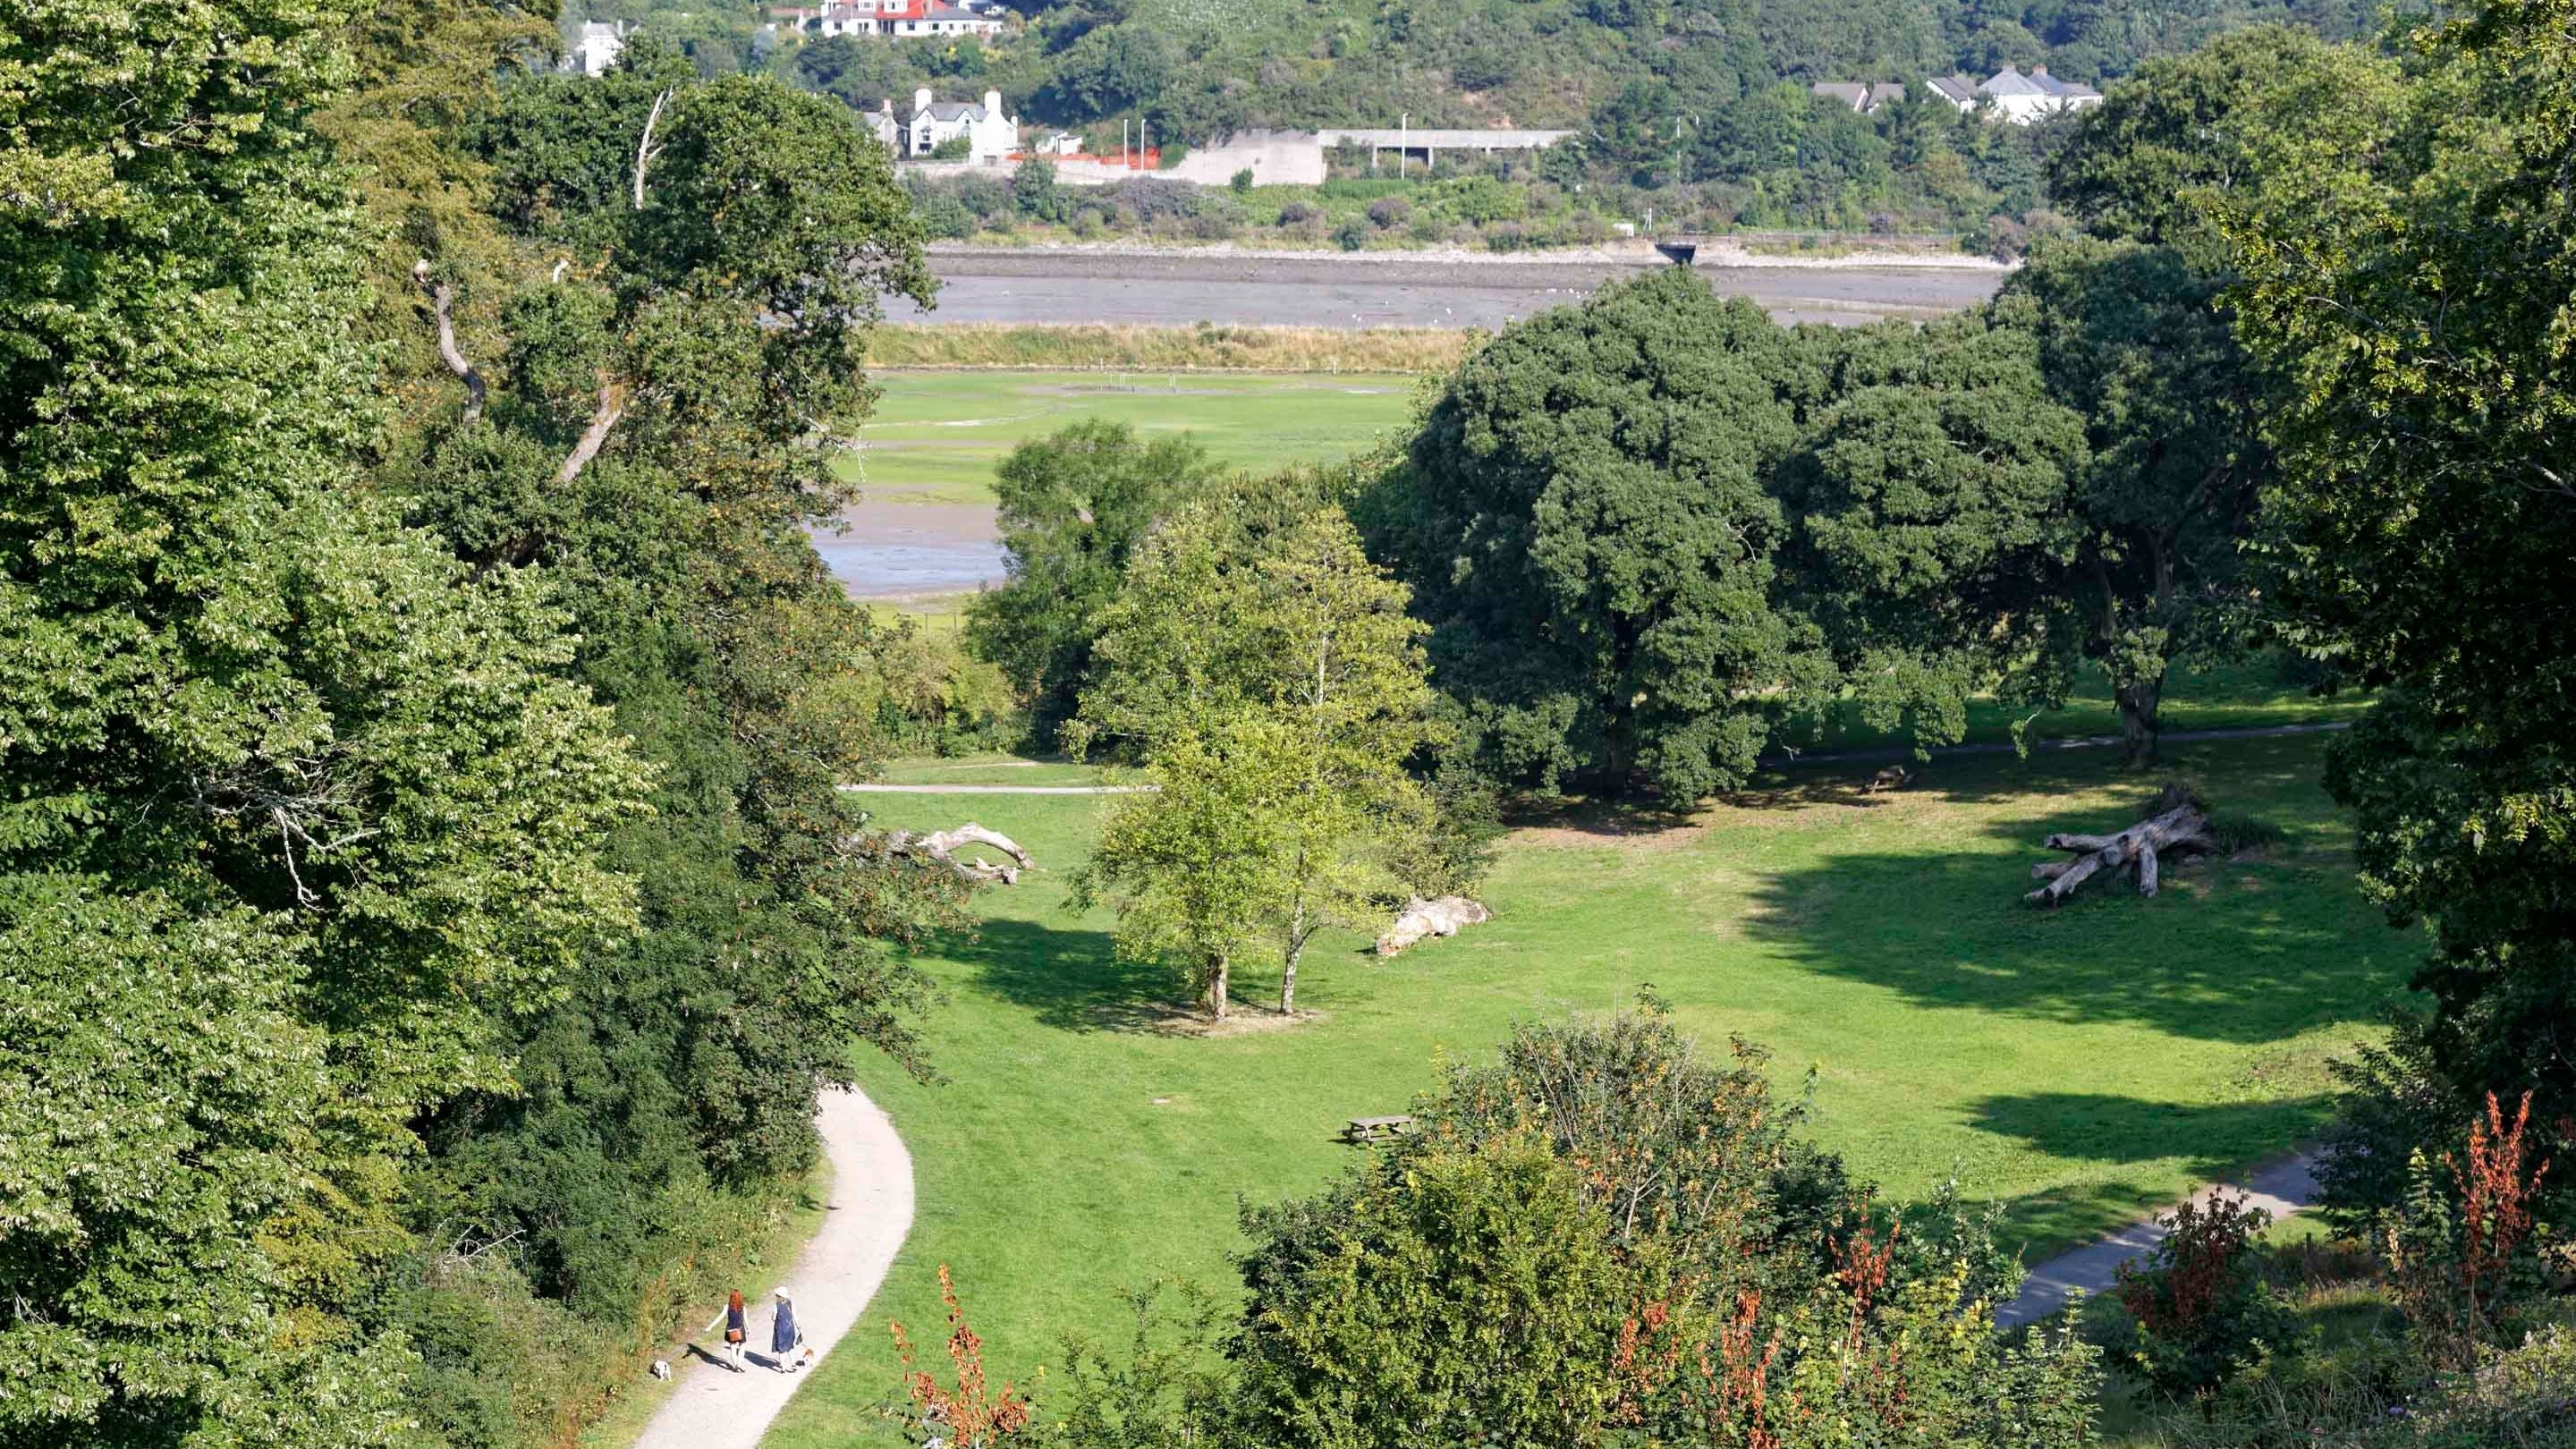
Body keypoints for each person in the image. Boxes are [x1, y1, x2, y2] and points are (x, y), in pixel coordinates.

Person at [770, 1289, 801, 1372]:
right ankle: (793, 1364)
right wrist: (798, 1326)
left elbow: (773, 1318)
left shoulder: (777, 1305)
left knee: (781, 1349)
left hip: (780, 1329)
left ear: (779, 1296)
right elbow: (794, 1315)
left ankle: (783, 1368)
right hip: (790, 1328)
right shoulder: (791, 1303)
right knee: (790, 1347)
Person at [723, 1289, 748, 1372]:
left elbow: (719, 1317)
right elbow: (745, 1319)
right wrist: (748, 1328)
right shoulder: (742, 1307)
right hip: (740, 1329)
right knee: (742, 1347)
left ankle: (735, 1366)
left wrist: (710, 1327)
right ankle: (739, 1364)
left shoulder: (727, 1307)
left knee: (733, 1348)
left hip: (731, 1330)